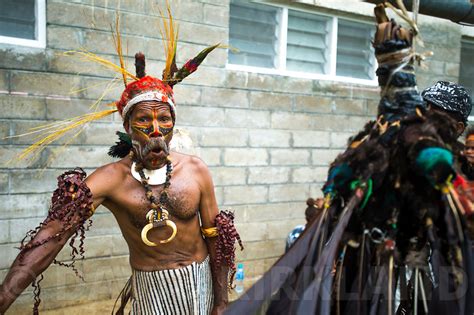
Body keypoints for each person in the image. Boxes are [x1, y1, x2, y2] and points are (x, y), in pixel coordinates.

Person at [0, 11, 242, 315]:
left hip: (200, 286)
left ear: (173, 123)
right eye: (144, 120)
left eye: (164, 119)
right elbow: (52, 236)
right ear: (128, 127)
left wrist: (221, 303)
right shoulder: (111, 180)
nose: (156, 130)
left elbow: (217, 239)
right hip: (152, 292)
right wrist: (4, 297)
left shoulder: (195, 170)